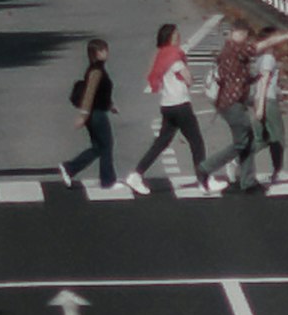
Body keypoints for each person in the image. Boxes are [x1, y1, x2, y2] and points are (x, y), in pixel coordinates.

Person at [130, 20, 206, 190]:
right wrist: (190, 78)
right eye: (176, 35)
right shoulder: (174, 56)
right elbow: (188, 78)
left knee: (162, 142)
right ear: (171, 38)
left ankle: (137, 174)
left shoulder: (162, 55)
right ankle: (203, 180)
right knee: (196, 141)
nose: (178, 37)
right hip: (181, 104)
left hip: (167, 105)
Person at [59, 36, 118, 189]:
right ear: (97, 53)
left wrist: (110, 105)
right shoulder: (96, 71)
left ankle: (70, 168)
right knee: (106, 145)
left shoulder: (96, 69)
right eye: (103, 50)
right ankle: (108, 181)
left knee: (98, 147)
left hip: (95, 112)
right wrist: (83, 116)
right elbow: (90, 93)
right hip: (96, 114)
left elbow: (99, 93)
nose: (107, 52)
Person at [211, 23, 259, 190]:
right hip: (232, 103)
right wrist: (284, 36)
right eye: (242, 34)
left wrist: (254, 78)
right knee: (242, 142)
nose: (244, 38)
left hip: (232, 102)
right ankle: (206, 168)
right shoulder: (234, 49)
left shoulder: (232, 50)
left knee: (248, 141)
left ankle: (247, 180)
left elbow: (239, 76)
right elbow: (254, 49)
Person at [244, 24, 288, 185]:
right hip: (268, 102)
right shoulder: (268, 59)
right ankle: (277, 171)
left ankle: (237, 160)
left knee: (262, 139)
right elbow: (264, 82)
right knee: (278, 138)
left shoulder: (260, 59)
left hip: (262, 99)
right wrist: (261, 107)